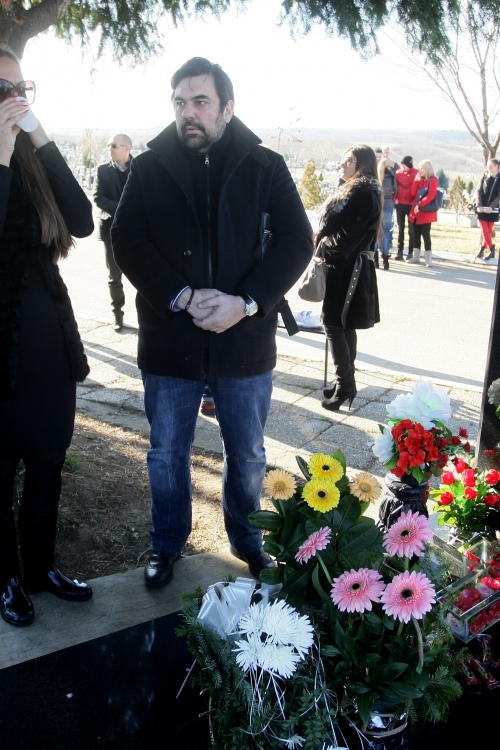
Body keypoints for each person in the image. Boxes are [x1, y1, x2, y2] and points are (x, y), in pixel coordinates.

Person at [111, 57, 313, 587]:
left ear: (227, 107)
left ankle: (248, 542)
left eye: (200, 102)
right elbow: (126, 239)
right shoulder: (148, 168)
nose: (188, 113)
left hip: (243, 341)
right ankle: (166, 544)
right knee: (165, 454)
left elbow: (298, 241)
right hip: (170, 340)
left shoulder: (265, 166)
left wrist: (246, 302)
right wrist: (179, 295)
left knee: (247, 454)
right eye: (180, 103)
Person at [0, 49, 94, 627]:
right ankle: (6, 580)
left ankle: (40, 569)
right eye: (1, 86)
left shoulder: (31, 157)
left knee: (47, 463)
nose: (13, 96)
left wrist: (39, 138)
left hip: (48, 343)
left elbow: (81, 220)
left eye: (20, 86)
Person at [318, 145, 382, 411]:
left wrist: (322, 244)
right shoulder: (357, 190)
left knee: (333, 324)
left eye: (349, 161)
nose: (342, 165)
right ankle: (344, 381)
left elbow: (347, 239)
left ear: (362, 164)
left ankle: (345, 385)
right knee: (344, 326)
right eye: (342, 160)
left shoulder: (362, 193)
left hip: (347, 269)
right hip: (347, 268)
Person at [94, 134, 132, 331]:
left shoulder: (140, 167)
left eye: (114, 145)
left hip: (137, 230)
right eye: (109, 145)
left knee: (145, 275)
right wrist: (122, 209)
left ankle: (148, 316)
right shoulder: (103, 170)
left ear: (126, 148)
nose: (110, 148)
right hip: (111, 230)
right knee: (114, 276)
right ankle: (117, 313)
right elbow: (98, 197)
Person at [407, 159, 439, 267]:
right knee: (416, 234)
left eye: (422, 168)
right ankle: (416, 256)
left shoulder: (432, 180)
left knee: (426, 234)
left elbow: (431, 196)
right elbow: (413, 193)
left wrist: (420, 205)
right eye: (420, 168)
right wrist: (415, 181)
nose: (420, 170)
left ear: (427, 169)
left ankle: (428, 259)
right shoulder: (420, 179)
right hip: (416, 212)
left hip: (425, 212)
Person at [473, 158, 500, 262]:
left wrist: (492, 207)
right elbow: (478, 191)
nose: (489, 168)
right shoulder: (485, 176)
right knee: (484, 230)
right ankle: (492, 249)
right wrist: (479, 205)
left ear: (497, 166)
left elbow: (498, 196)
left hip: (492, 210)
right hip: (482, 209)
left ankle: (481, 250)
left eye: (491, 166)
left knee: (488, 231)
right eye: (488, 166)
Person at [394, 156, 418, 261]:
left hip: (410, 204)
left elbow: (418, 189)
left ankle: (410, 252)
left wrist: (414, 202)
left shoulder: (416, 173)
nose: (403, 167)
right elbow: (394, 186)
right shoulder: (398, 173)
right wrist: (395, 198)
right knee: (400, 229)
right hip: (400, 204)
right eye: (402, 165)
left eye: (404, 165)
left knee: (411, 230)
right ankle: (399, 251)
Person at [377, 157, 397, 270]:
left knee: (376, 233)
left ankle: (375, 259)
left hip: (378, 206)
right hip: (388, 205)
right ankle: (385, 259)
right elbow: (395, 190)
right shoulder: (390, 176)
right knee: (386, 234)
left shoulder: (376, 176)